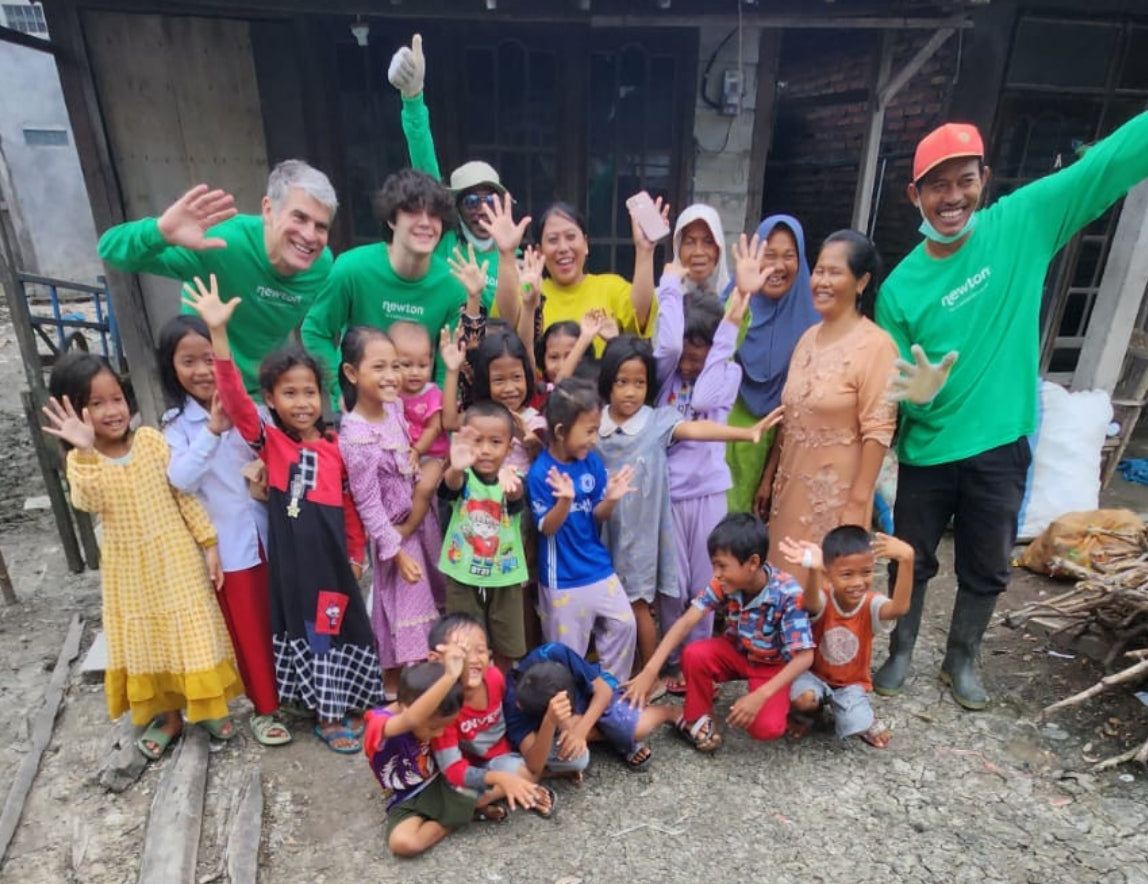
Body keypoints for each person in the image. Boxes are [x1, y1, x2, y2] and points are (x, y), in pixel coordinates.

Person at [873, 112, 1148, 710]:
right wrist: (909, 397)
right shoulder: (899, 288)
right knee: (912, 557)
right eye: (937, 186)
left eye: (963, 181)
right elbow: (887, 380)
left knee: (989, 561)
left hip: (1000, 440)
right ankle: (900, 649)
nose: (952, 198)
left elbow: (1103, 167)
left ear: (984, 179)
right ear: (913, 194)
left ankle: (961, 658)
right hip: (927, 447)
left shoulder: (1022, 222)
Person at [185, 275, 381, 754]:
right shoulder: (271, 445)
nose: (301, 402)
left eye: (309, 392)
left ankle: (349, 700)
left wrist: (357, 553)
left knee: (341, 627)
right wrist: (219, 336)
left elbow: (352, 507)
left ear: (323, 396)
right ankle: (327, 715)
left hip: (335, 566)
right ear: (270, 401)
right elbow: (233, 399)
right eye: (288, 394)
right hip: (297, 572)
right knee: (316, 634)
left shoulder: (336, 450)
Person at [42, 353, 240, 759]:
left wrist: (209, 544)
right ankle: (168, 717)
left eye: (115, 398)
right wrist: (82, 450)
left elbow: (181, 494)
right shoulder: (85, 462)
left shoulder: (150, 440)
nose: (111, 411)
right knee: (150, 643)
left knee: (193, 636)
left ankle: (207, 708)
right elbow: (86, 500)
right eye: (96, 404)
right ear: (74, 410)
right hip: (129, 570)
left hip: (176, 558)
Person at [595, 332, 782, 681]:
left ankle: (652, 674)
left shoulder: (654, 421)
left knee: (638, 606)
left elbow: (699, 429)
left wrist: (747, 433)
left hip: (639, 537)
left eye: (640, 382)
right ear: (608, 382)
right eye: (622, 382)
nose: (631, 391)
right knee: (607, 605)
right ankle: (619, 670)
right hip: (600, 529)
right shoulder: (595, 424)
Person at [157, 315, 290, 747]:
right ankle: (264, 707)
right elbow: (181, 479)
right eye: (187, 361)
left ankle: (293, 694)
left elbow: (277, 452)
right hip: (230, 546)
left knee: (281, 622)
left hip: (274, 536)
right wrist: (213, 430)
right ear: (170, 368)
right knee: (249, 630)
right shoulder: (176, 426)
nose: (200, 371)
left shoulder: (254, 410)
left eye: (208, 359)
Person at [98, 160, 337, 395]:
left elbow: (320, 328)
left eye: (321, 226)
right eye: (299, 218)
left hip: (264, 392)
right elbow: (109, 250)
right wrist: (160, 231)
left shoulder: (321, 264)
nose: (309, 235)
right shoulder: (221, 243)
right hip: (207, 391)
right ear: (268, 210)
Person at [756, 231, 899, 588]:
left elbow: (878, 431)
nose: (821, 281)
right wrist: (769, 477)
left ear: (861, 281)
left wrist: (857, 505)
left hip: (835, 502)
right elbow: (790, 417)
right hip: (789, 495)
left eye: (834, 273)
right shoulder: (807, 338)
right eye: (818, 271)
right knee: (784, 589)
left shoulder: (876, 347)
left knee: (823, 596)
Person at [624, 513, 814, 753]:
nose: (716, 574)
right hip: (739, 651)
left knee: (765, 729)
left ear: (753, 562)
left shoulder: (787, 593)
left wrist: (762, 695)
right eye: (714, 565)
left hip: (771, 665)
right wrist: (649, 672)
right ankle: (701, 715)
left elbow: (806, 656)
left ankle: (791, 700)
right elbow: (685, 622)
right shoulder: (726, 584)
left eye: (722, 566)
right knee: (694, 654)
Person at [300, 168, 482, 407]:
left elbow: (445, 368)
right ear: (391, 219)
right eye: (413, 212)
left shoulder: (452, 285)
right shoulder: (352, 268)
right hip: (359, 414)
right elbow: (315, 331)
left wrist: (435, 420)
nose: (426, 223)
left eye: (434, 215)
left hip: (420, 420)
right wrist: (340, 390)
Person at [338, 325, 447, 700]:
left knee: (421, 598)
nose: (392, 377)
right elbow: (367, 502)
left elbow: (408, 451)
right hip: (395, 534)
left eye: (395, 366)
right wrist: (395, 550)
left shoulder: (394, 407)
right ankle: (412, 692)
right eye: (379, 367)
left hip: (420, 520)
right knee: (406, 603)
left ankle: (399, 682)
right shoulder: (356, 437)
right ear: (353, 373)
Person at [651, 264, 743, 691]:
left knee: (706, 583)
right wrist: (669, 286)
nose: (688, 364)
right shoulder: (665, 373)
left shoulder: (727, 373)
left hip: (708, 494)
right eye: (686, 354)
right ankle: (670, 659)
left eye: (698, 356)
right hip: (668, 495)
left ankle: (696, 658)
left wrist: (729, 328)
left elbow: (705, 398)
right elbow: (668, 346)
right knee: (671, 586)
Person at [525, 377, 638, 680]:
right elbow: (546, 528)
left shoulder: (592, 463)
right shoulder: (540, 474)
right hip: (562, 578)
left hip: (598, 567)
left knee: (625, 624)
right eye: (588, 431)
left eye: (596, 430)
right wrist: (564, 502)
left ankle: (609, 694)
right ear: (560, 432)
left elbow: (596, 515)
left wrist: (611, 500)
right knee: (566, 656)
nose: (593, 439)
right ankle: (570, 714)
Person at [388, 32, 506, 310]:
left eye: (488, 199)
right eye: (471, 201)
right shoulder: (445, 244)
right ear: (456, 206)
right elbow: (425, 167)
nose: (481, 209)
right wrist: (412, 100)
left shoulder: (515, 254)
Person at [779, 526, 914, 748]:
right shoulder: (823, 598)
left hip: (850, 684)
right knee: (802, 700)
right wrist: (813, 570)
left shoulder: (871, 604)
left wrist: (907, 559)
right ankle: (808, 716)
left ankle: (861, 717)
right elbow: (810, 604)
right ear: (828, 574)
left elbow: (899, 608)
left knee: (857, 724)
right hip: (814, 676)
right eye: (847, 575)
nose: (858, 582)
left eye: (866, 572)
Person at [724, 216, 820, 514]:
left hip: (775, 454)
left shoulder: (813, 324)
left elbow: (798, 407)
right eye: (770, 254)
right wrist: (742, 295)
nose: (779, 266)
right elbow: (715, 362)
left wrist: (769, 476)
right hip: (720, 448)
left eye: (789, 255)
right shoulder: (732, 305)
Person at [487, 197, 665, 353]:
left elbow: (642, 316)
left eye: (571, 237)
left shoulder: (611, 287)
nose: (563, 248)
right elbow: (506, 320)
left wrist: (644, 251)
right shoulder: (530, 290)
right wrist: (506, 253)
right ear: (539, 252)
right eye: (553, 240)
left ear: (586, 244)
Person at [426, 614, 555, 821]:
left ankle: (509, 789)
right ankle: (519, 787)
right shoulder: (444, 704)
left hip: (502, 758)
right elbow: (452, 768)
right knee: (457, 795)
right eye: (463, 652)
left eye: (481, 650)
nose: (475, 659)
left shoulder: (494, 677)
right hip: (465, 768)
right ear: (436, 659)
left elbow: (517, 722)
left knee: (569, 760)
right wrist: (502, 780)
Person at [438, 403, 529, 671]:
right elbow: (450, 486)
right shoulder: (462, 476)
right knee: (463, 639)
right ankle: (468, 694)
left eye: (495, 442)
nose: (486, 450)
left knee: (506, 644)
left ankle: (499, 693)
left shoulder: (513, 477)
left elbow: (515, 495)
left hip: (505, 575)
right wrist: (455, 466)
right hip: (462, 573)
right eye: (477, 441)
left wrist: (510, 487)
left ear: (509, 448)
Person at [503, 643, 680, 775]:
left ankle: (669, 712)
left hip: (590, 698)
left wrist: (580, 731)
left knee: (635, 727)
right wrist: (550, 722)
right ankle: (612, 737)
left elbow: (602, 691)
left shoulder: (554, 653)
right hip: (552, 728)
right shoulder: (514, 702)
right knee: (576, 756)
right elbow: (533, 764)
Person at [363, 652, 470, 858]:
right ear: (405, 707)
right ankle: (456, 818)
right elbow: (412, 720)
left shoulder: (432, 716)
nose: (439, 733)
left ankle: (462, 811)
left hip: (441, 782)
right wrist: (448, 676)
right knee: (404, 844)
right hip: (406, 797)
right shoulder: (379, 723)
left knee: (498, 784)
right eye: (433, 727)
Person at [390, 320, 454, 533]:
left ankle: (408, 528)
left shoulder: (432, 393)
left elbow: (434, 428)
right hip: (398, 454)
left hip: (431, 455)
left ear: (432, 361)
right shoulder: (389, 394)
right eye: (406, 365)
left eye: (423, 365)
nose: (415, 372)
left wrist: (416, 451)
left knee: (425, 487)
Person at [671, 203, 730, 307]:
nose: (698, 252)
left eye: (708, 242)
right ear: (678, 249)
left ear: (719, 249)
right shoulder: (662, 302)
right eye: (690, 242)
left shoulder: (734, 304)